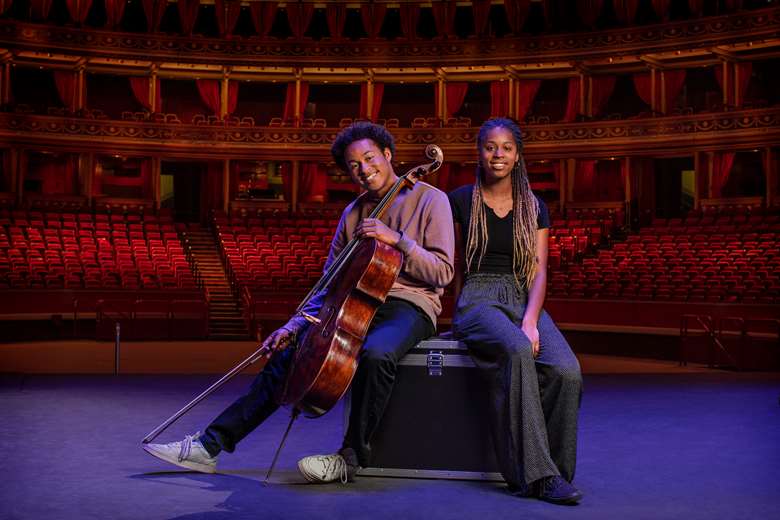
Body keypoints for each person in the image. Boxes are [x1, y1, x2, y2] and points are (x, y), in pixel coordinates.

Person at [143, 122, 455, 484]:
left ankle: (351, 457)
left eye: (370, 158)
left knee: (377, 353)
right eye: (354, 166)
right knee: (286, 359)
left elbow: (443, 272)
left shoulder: (432, 200)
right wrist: (292, 328)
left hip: (410, 305)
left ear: (387, 155)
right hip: (354, 303)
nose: (364, 169)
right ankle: (209, 446)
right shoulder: (353, 214)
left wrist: (397, 239)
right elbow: (329, 282)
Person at [447, 118, 583, 505]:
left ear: (518, 155)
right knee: (519, 350)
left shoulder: (535, 206)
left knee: (566, 371)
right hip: (478, 296)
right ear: (479, 152)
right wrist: (452, 318)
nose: (498, 155)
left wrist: (530, 320)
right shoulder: (459, 200)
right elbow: (455, 264)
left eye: (506, 147)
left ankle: (556, 472)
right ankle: (534, 476)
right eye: (490, 146)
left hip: (522, 296)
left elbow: (539, 270)